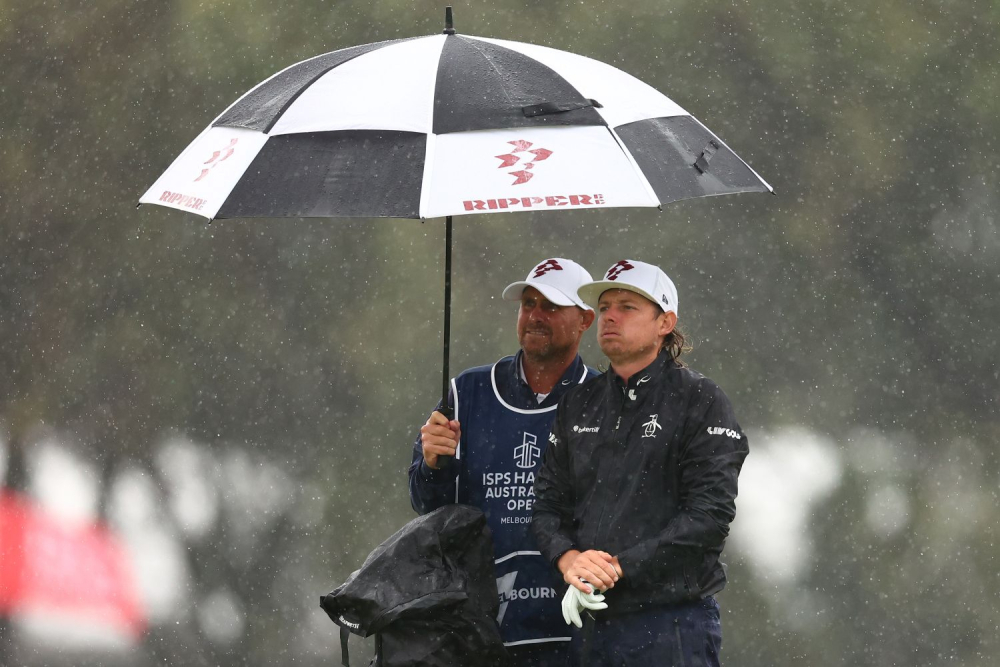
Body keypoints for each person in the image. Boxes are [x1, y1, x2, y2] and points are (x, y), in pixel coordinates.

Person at [532, 259, 749, 666]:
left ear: (665, 322)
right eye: (605, 306)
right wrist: (570, 559)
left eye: (627, 306)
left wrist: (618, 566)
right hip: (590, 623)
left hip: (672, 624)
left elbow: (709, 517)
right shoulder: (580, 402)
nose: (609, 316)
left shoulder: (700, 400)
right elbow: (546, 506)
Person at [408, 258, 598, 666]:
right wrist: (432, 465)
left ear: (585, 320)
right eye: (528, 304)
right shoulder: (469, 391)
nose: (535, 316)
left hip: (577, 635)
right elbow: (428, 506)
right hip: (482, 633)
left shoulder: (604, 397)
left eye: (550, 306)